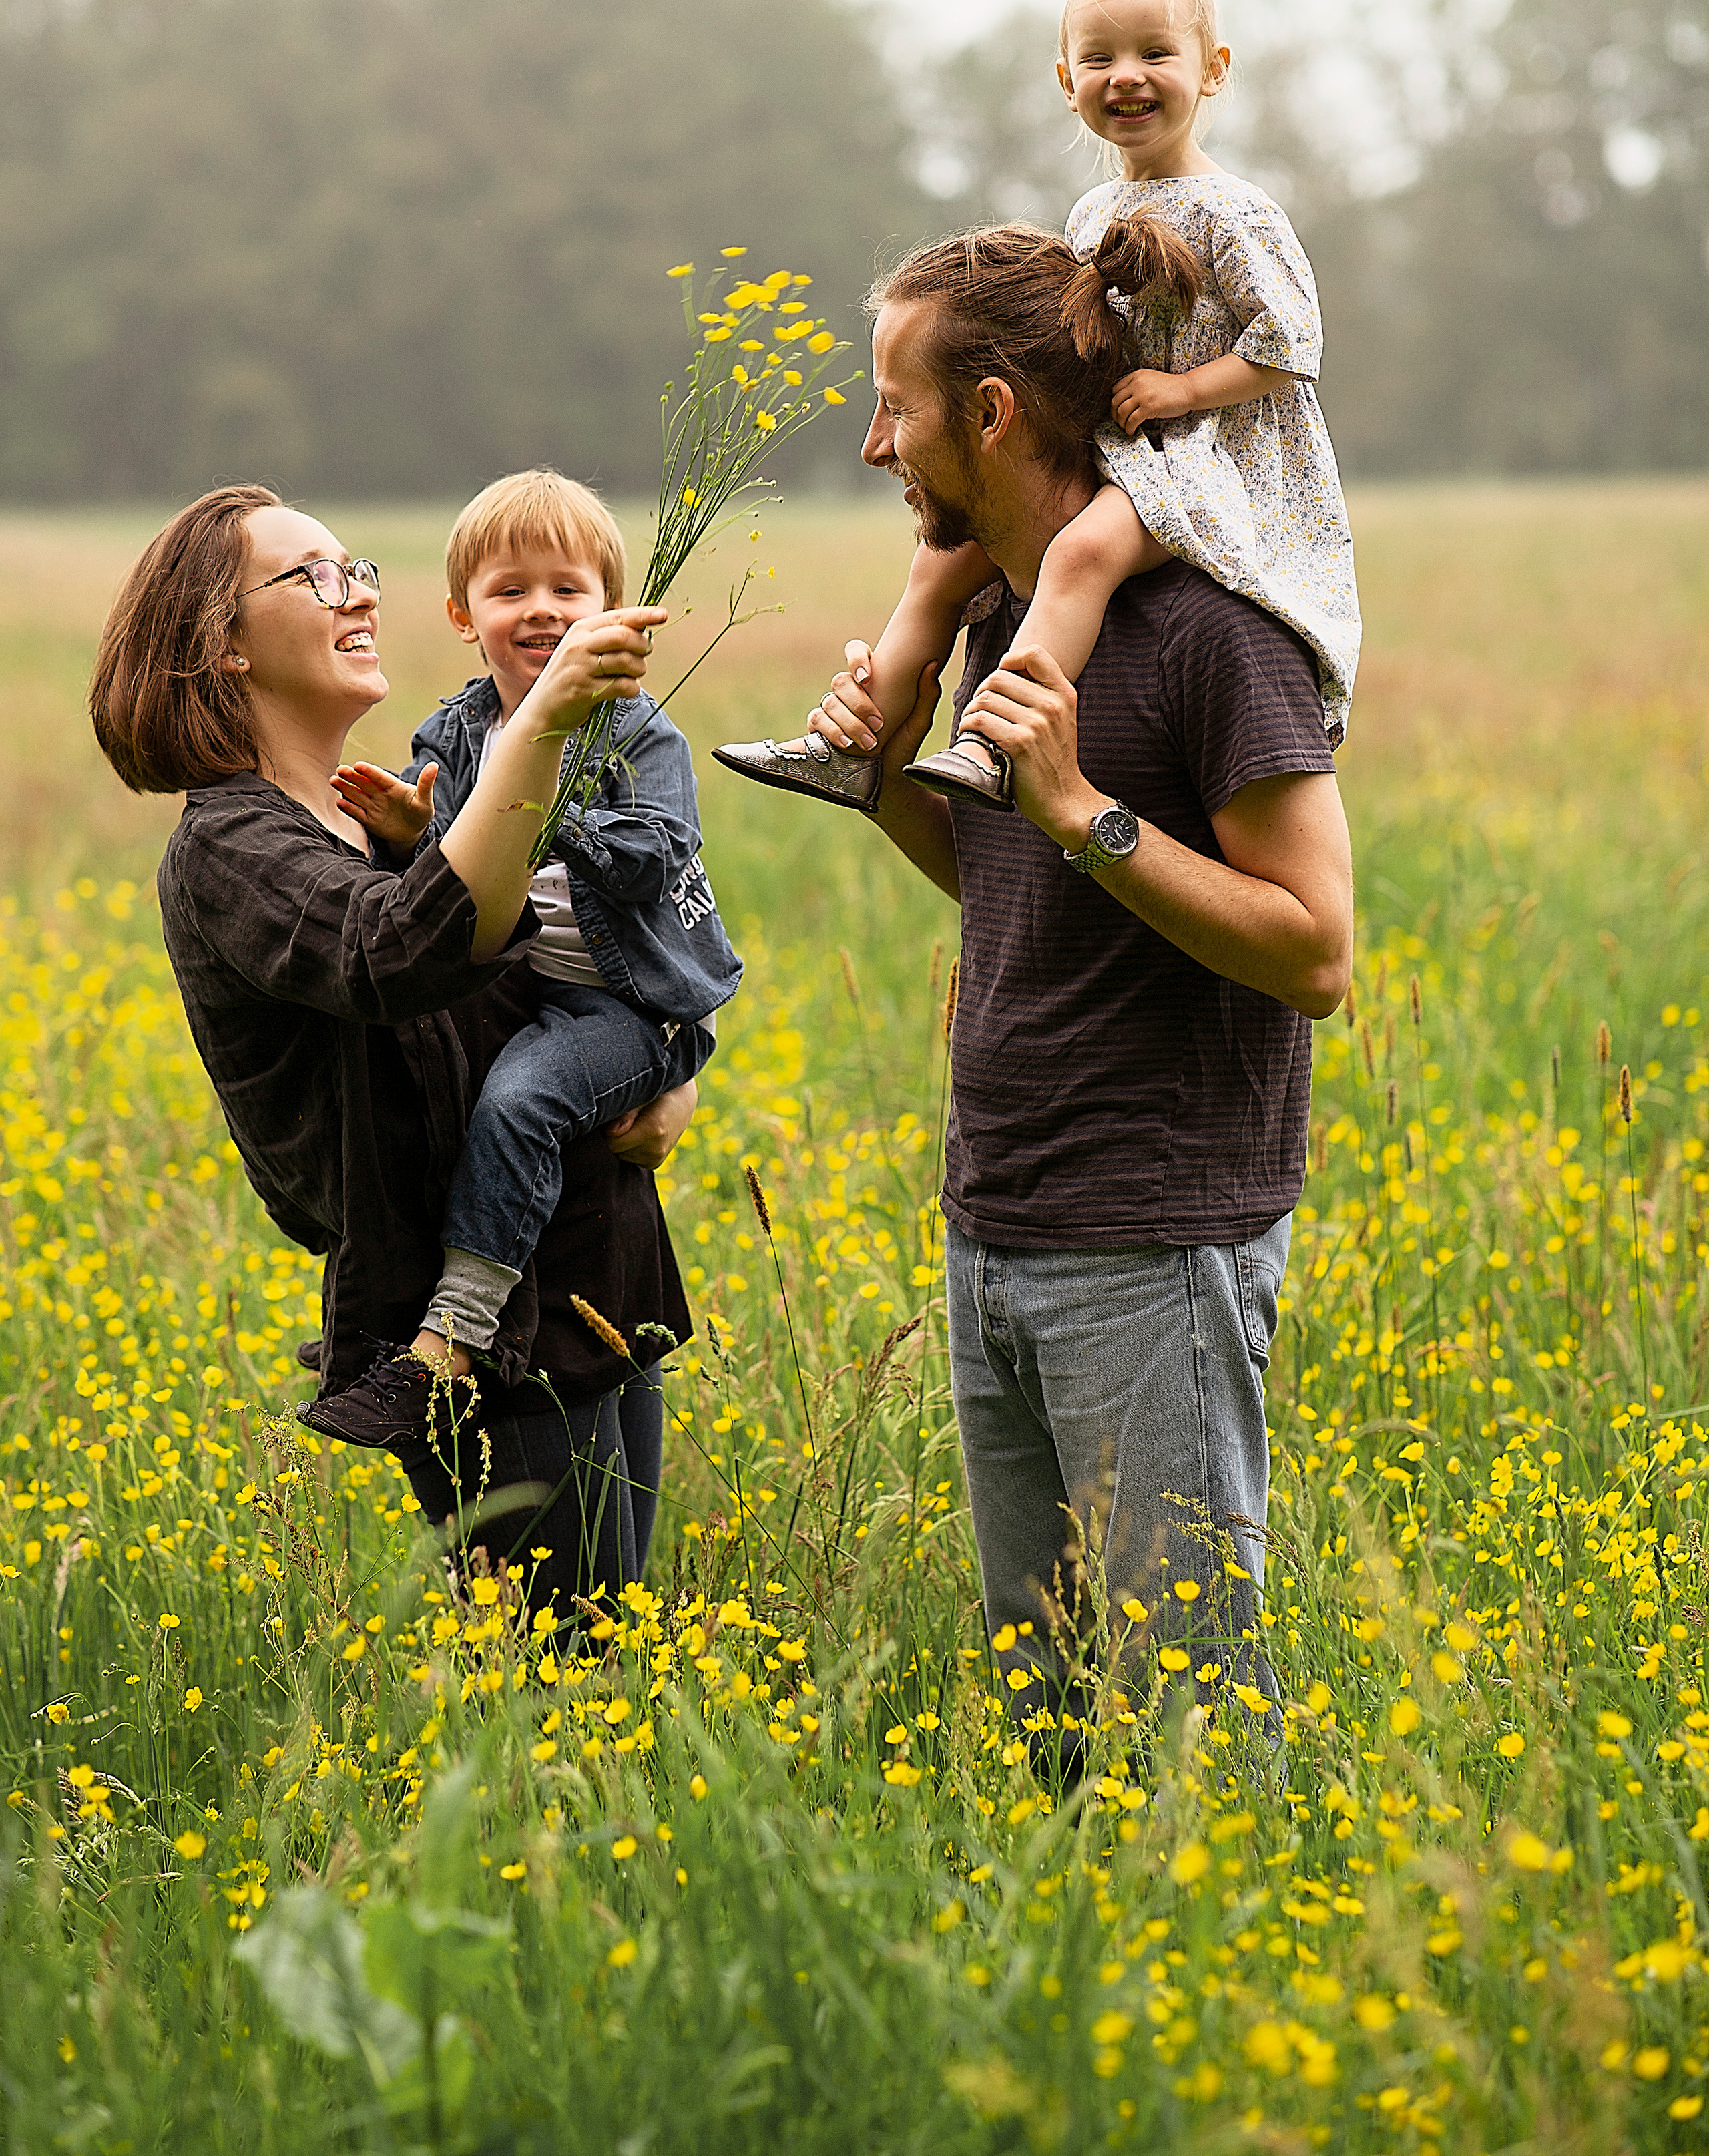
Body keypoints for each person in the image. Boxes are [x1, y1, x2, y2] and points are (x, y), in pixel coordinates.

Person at [798, 227, 1354, 1735]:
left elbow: (1316, 953)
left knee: (1188, 1717)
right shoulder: (998, 622)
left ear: (987, 414)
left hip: (1152, 1243)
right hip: (996, 1224)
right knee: (1040, 1709)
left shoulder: (1210, 639)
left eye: (892, 409)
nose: (871, 446)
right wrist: (879, 781)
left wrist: (1081, 811)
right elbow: (1010, 887)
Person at [88, 484, 690, 1610]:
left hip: (594, 1272)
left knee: (614, 1650)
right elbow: (394, 955)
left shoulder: (378, 811)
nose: (359, 590)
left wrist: (669, 1064)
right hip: (464, 1343)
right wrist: (549, 723)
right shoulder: (233, 846)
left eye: (357, 564)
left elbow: (561, 961)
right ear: (222, 645)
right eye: (314, 575)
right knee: (562, 1681)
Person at [714, 0, 1361, 816]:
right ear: (1067, 81)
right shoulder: (1093, 213)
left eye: (1155, 54)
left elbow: (1289, 346)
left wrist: (1179, 392)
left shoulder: (1238, 212)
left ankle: (995, 741)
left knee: (1085, 554)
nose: (1125, 76)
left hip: (1204, 458)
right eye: (1099, 58)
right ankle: (852, 743)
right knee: (941, 560)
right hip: (1124, 444)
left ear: (1213, 70)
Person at [322, 468, 740, 1448]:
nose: (541, 610)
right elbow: (454, 894)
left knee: (523, 1101)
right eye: (511, 590)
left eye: (569, 590)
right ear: (465, 615)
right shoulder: (455, 733)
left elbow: (657, 858)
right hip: (530, 991)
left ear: (612, 615)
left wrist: (550, 815)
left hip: (629, 1006)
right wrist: (409, 837)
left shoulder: (637, 731)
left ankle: (454, 1337)